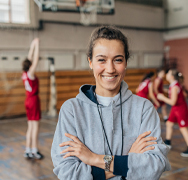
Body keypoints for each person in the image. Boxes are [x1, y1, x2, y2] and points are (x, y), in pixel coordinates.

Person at [51, 26, 170, 180]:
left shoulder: (143, 109)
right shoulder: (72, 110)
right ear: (90, 62)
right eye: (101, 60)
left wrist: (94, 158)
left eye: (118, 60)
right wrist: (128, 161)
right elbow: (68, 173)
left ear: (126, 62)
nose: (110, 68)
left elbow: (154, 166)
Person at [157, 69, 188, 158]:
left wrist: (162, 97)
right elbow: (183, 94)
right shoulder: (174, 85)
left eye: (168, 73)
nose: (166, 74)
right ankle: (168, 142)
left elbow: (172, 102)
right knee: (169, 123)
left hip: (180, 109)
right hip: (176, 109)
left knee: (183, 128)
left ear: (171, 76)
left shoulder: (175, 86)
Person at [22, 38, 44, 160]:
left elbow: (29, 58)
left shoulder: (24, 74)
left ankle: (28, 149)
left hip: (27, 100)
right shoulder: (30, 73)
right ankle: (35, 150)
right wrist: (37, 47)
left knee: (30, 126)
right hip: (33, 100)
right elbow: (34, 60)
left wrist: (32, 45)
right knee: (35, 127)